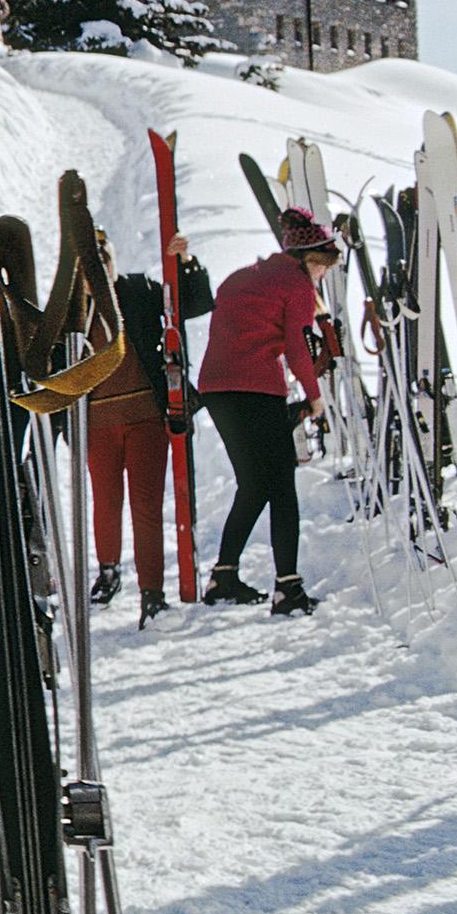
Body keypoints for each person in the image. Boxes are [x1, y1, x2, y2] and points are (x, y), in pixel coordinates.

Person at [196, 205, 336, 616]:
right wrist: (315, 397)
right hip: (257, 387)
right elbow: (297, 347)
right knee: (282, 488)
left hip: (216, 389)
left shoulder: (241, 277)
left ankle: (223, 577)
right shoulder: (297, 285)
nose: (322, 275)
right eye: (322, 267)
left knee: (254, 484)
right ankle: (287, 587)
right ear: (308, 260)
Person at [89, 233, 211, 626]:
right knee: (105, 502)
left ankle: (152, 594)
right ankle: (109, 571)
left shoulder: (139, 290)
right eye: (91, 261)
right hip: (97, 424)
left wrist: (185, 263)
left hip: (144, 417)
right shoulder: (73, 307)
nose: (100, 267)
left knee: (146, 507)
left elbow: (193, 302)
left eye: (105, 257)